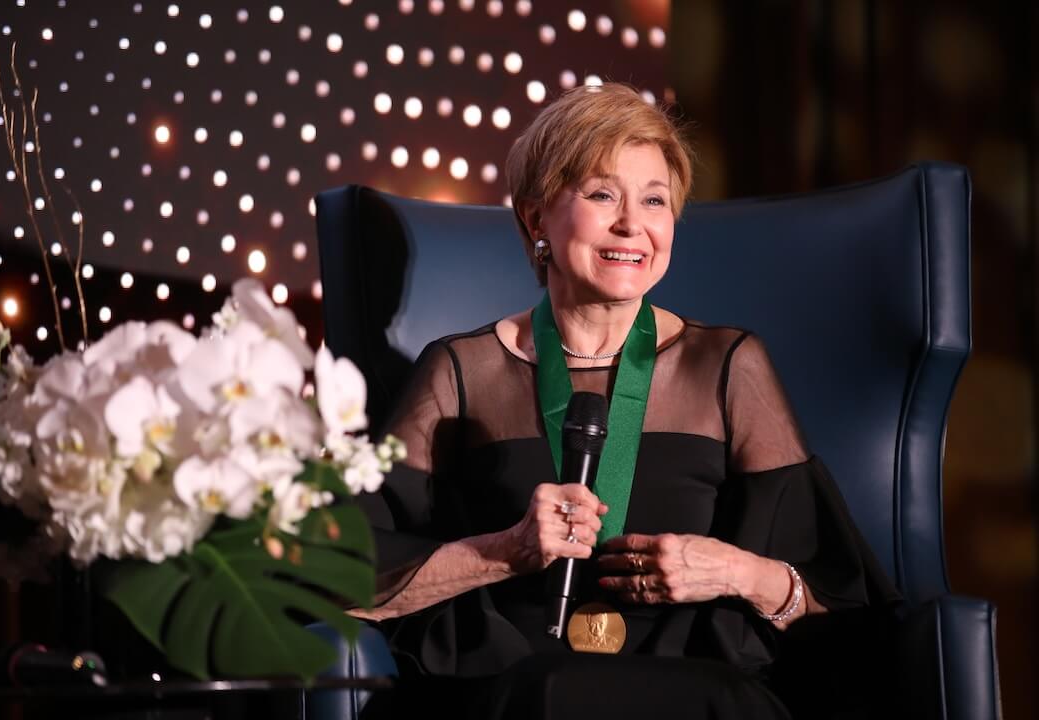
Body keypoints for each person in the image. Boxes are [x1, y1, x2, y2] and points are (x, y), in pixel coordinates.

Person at [352, 82, 899, 719]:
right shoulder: (460, 372)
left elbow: (843, 601)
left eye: (654, 200)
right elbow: (349, 580)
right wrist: (506, 550)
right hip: (526, 691)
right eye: (602, 194)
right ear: (536, 218)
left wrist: (731, 571)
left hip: (699, 691)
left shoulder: (726, 365)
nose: (632, 224)